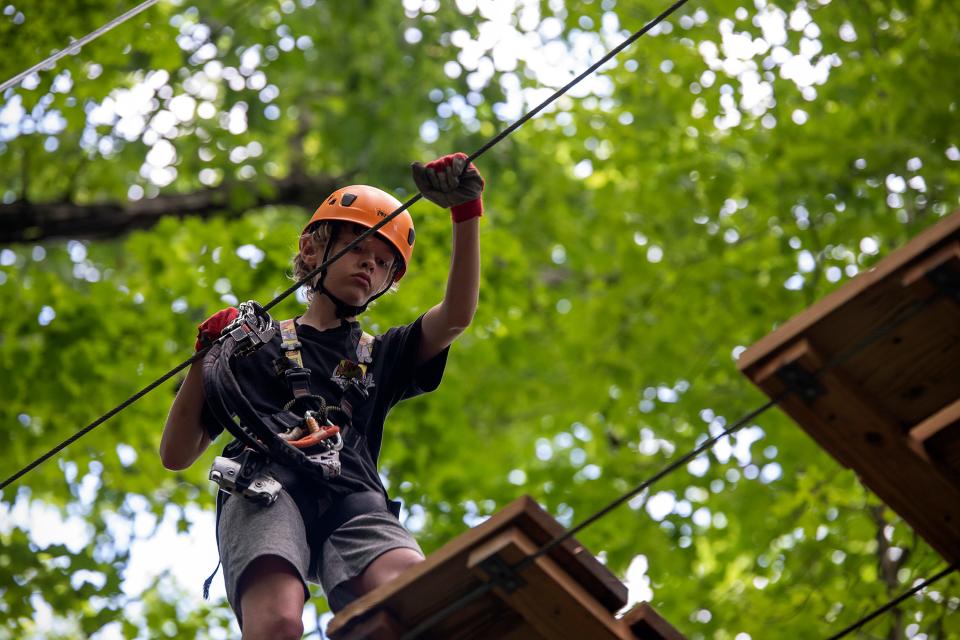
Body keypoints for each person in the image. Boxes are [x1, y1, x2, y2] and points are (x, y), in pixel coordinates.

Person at [159, 153, 484, 640]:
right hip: (265, 485)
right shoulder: (252, 347)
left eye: (383, 263)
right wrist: (205, 361)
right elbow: (176, 454)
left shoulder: (381, 355)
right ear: (312, 249)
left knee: (412, 594)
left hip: (351, 492)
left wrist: (465, 213)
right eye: (358, 248)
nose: (369, 265)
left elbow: (456, 315)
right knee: (278, 623)